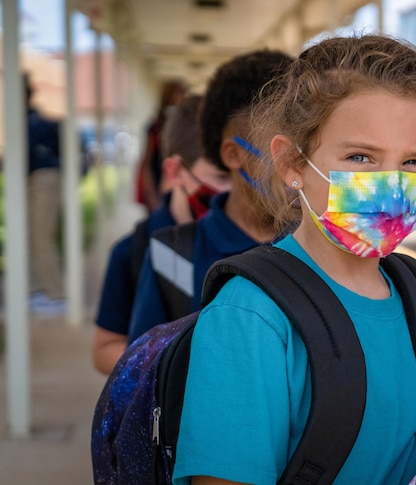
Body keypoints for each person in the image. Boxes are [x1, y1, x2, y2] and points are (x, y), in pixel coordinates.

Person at [171, 34, 416, 484]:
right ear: (293, 163)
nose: (389, 183)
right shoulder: (248, 317)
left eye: (413, 162)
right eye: (360, 156)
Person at [125, 49, 295, 344]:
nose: (294, 166)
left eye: (303, 148)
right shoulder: (172, 254)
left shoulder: (320, 246)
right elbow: (145, 373)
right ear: (232, 154)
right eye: (276, 151)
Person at [91, 93, 232, 375]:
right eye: (222, 177)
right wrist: (172, 364)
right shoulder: (133, 250)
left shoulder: (260, 241)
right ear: (176, 171)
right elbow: (104, 349)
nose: (238, 191)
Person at [25, 73, 66, 315]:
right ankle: (41, 290)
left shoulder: (35, 122)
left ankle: (56, 293)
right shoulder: (29, 120)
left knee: (42, 238)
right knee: (34, 237)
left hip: (43, 178)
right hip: (36, 178)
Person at [136, 79, 186, 213]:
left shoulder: (185, 127)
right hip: (157, 183)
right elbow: (147, 162)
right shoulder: (155, 128)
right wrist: (151, 194)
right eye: (175, 93)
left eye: (182, 93)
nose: (179, 98)